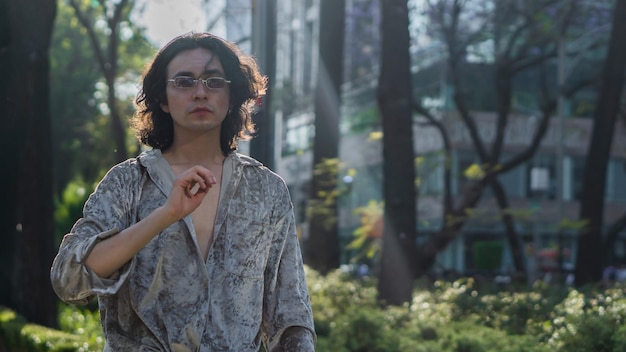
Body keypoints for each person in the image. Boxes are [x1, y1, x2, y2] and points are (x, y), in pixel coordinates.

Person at [50, 32, 315, 352]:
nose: (200, 92)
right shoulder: (128, 182)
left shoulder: (266, 191)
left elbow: (290, 315)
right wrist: (165, 215)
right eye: (184, 81)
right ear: (162, 98)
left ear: (232, 96)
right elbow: (69, 279)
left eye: (214, 81)